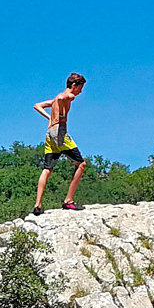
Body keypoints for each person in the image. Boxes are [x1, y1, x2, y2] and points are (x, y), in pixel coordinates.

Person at [31, 73, 88, 215]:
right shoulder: (67, 96)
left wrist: (51, 117)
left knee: (47, 169)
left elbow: (37, 106)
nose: (80, 92)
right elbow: (64, 97)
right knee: (81, 164)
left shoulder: (55, 99)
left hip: (50, 132)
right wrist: (61, 115)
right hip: (60, 132)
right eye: (80, 88)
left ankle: (37, 205)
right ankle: (68, 201)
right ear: (74, 86)